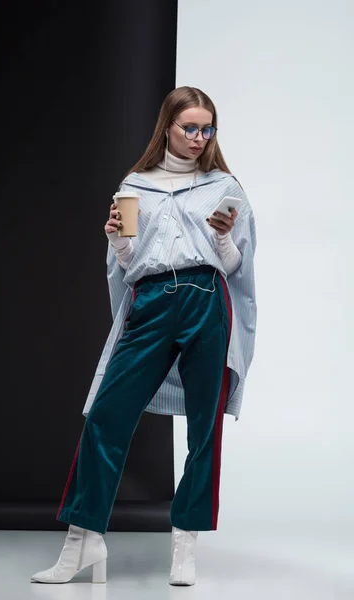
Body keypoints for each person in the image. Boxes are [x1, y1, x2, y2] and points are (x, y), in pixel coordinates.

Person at [31, 86, 257, 586]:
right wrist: (116, 238)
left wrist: (222, 237)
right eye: (190, 128)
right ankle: (83, 541)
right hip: (153, 301)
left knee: (204, 427)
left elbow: (238, 266)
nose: (199, 138)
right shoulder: (135, 185)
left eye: (207, 129)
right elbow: (130, 264)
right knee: (105, 415)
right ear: (168, 128)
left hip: (206, 298)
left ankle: (185, 543)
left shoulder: (225, 187)